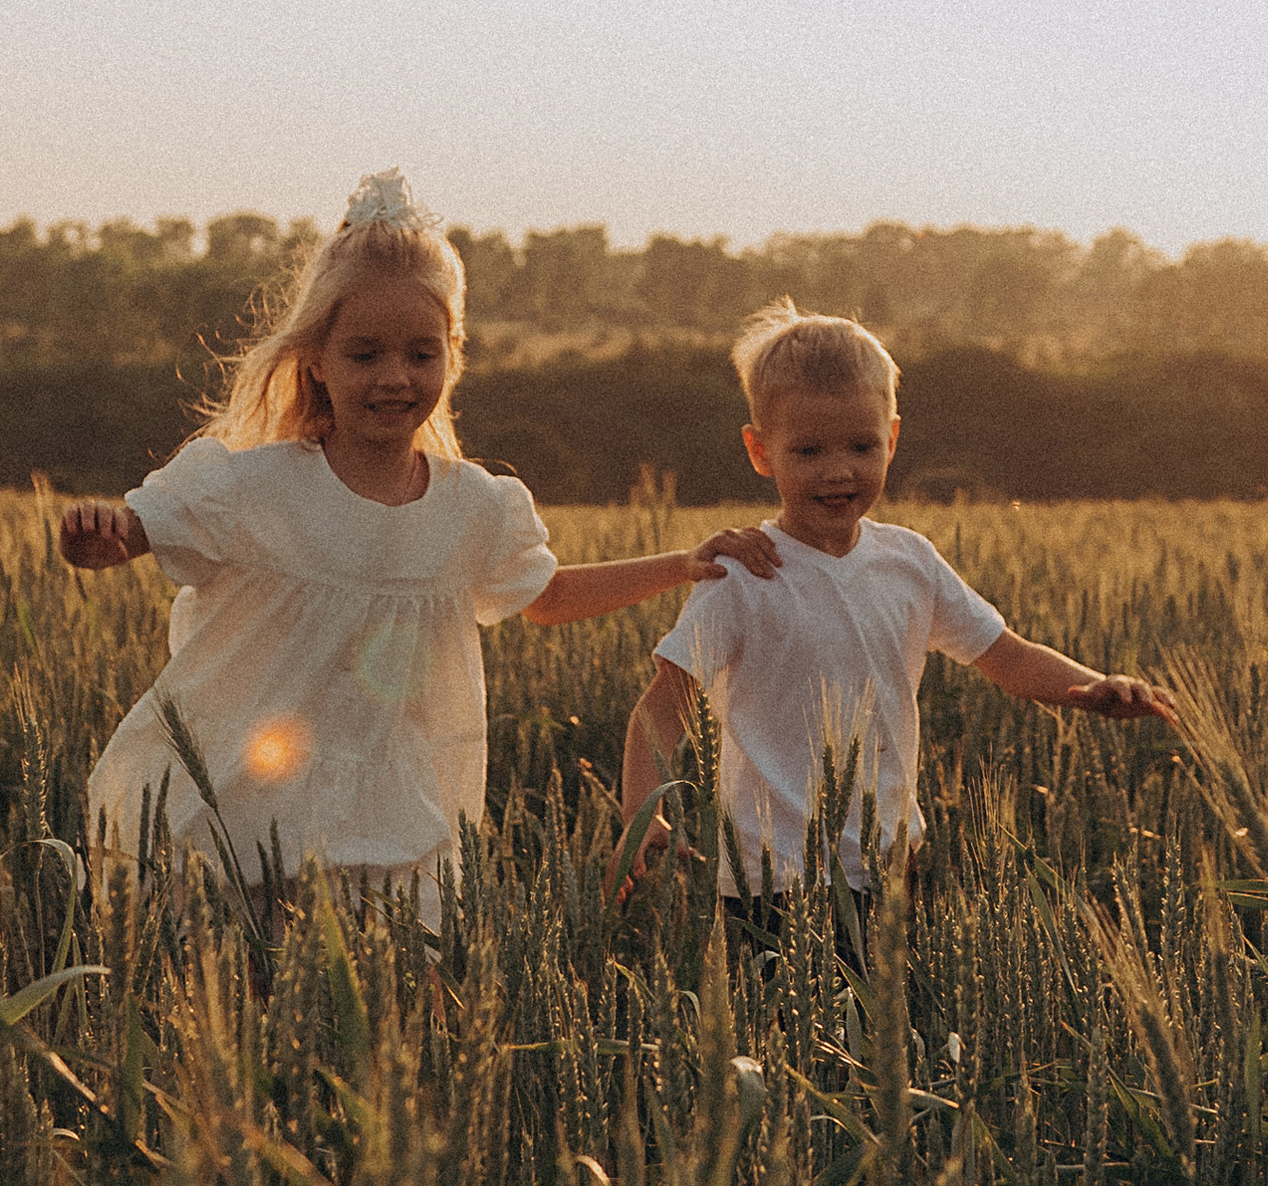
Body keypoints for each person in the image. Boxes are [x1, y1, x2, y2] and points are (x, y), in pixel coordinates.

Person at [65, 170, 773, 921]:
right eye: (365, 354)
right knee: (237, 988)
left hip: (391, 803)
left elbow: (551, 596)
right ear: (316, 358)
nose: (395, 377)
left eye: (420, 354)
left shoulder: (473, 507)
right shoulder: (252, 488)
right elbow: (143, 529)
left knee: (397, 996)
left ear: (452, 357)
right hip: (248, 795)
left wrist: (682, 564)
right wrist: (106, 536)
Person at [620, 299, 1168, 935]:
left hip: (890, 866)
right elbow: (664, 704)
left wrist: (1093, 687)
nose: (839, 470)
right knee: (778, 1034)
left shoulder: (910, 562)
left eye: (861, 445)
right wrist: (642, 809)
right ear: (759, 451)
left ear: (894, 438)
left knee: (884, 1030)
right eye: (808, 451)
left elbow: (1008, 656)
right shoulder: (742, 576)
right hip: (768, 880)